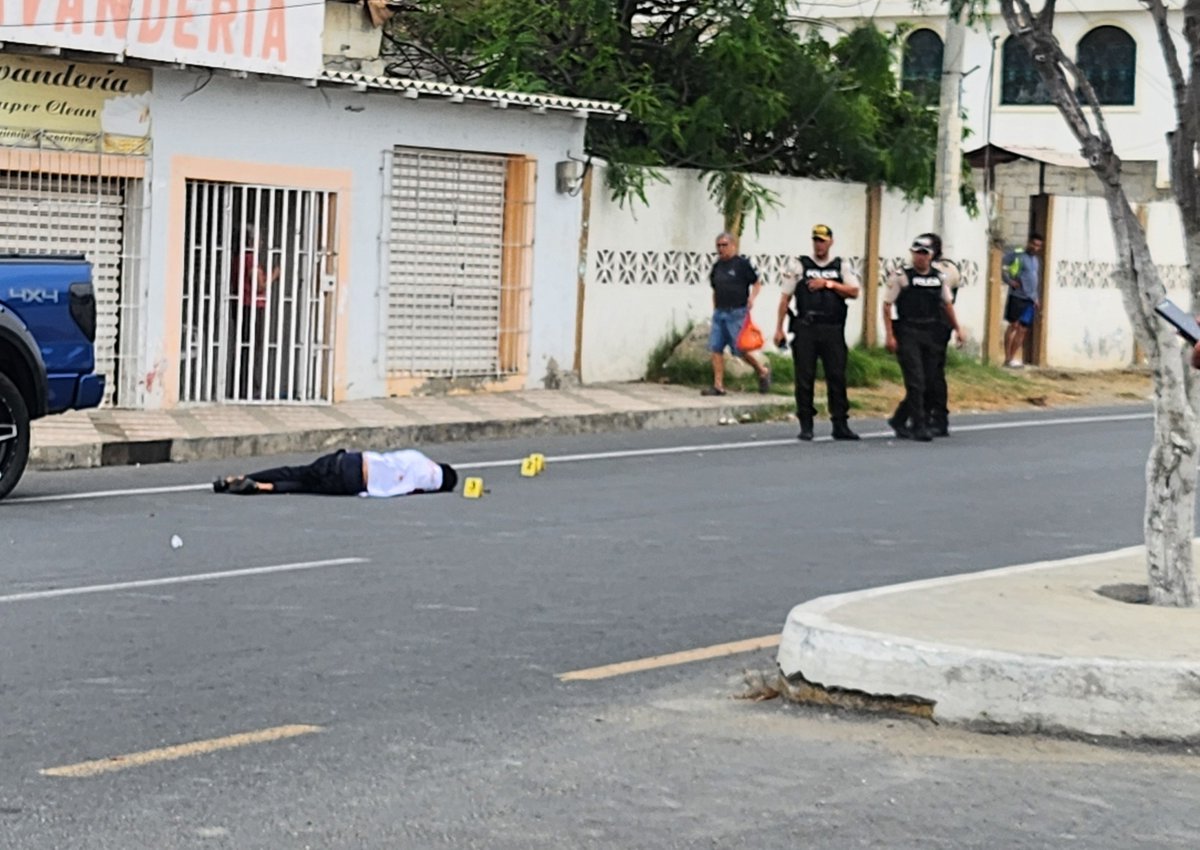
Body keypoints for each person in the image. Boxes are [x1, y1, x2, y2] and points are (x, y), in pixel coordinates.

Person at [774, 223, 861, 441]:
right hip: (807, 328)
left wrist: (828, 284)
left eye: (822, 240)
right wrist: (779, 329)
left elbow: (854, 291)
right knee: (804, 377)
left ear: (831, 242)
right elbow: (785, 297)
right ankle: (806, 424)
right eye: (816, 240)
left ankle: (840, 423)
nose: (819, 244)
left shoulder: (842, 266)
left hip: (832, 329)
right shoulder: (799, 265)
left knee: (837, 376)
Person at [883, 234, 967, 442]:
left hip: (931, 332)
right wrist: (890, 335)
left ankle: (900, 419)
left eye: (924, 254)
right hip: (908, 331)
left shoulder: (939, 277)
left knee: (931, 381)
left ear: (931, 256)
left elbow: (947, 305)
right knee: (916, 381)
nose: (920, 258)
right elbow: (887, 305)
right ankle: (918, 425)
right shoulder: (901, 277)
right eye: (917, 253)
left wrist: (958, 328)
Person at [212, 448, 458, 496]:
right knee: (303, 487)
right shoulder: (420, 487)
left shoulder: (417, 458)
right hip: (354, 484)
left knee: (295, 472)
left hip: (352, 462)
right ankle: (261, 487)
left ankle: (244, 478)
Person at [702, 231, 771, 396]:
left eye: (724, 245)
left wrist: (752, 299)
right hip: (720, 312)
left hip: (737, 313)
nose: (721, 249)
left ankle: (762, 371)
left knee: (739, 349)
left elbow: (756, 283)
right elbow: (715, 289)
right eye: (718, 245)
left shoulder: (741, 264)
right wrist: (715, 309)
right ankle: (718, 386)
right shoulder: (717, 266)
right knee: (715, 348)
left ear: (733, 245)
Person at [917, 232, 962, 437]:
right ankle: (922, 415)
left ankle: (938, 417)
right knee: (921, 374)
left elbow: (943, 292)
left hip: (938, 327)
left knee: (934, 374)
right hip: (922, 327)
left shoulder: (946, 269)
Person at [1002, 233, 1044, 368]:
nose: (1036, 248)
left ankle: (1012, 358)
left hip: (1030, 299)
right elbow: (1003, 264)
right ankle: (1007, 358)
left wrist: (1036, 298)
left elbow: (1034, 280)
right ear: (1029, 243)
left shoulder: (1036, 260)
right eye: (1034, 244)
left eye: (1038, 246)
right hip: (1017, 296)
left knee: (1023, 330)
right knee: (1013, 326)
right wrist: (1009, 281)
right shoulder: (1018, 255)